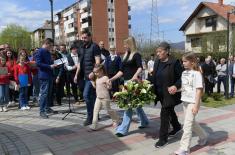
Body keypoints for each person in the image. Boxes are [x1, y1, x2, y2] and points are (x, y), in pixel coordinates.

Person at [174, 52, 208, 155]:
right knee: (191, 123)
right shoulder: (184, 73)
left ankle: (184, 148)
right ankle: (204, 136)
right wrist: (176, 90)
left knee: (187, 125)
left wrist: (196, 105)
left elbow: (198, 90)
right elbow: (185, 87)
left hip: (193, 102)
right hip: (185, 101)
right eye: (182, 61)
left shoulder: (197, 74)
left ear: (192, 62)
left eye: (185, 61)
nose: (183, 63)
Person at [115, 36, 149, 137]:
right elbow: (121, 71)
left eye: (126, 44)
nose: (124, 46)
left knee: (128, 106)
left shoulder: (136, 55)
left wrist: (134, 76)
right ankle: (145, 121)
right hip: (126, 82)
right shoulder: (125, 56)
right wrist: (111, 78)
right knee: (136, 105)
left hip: (133, 83)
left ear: (130, 44)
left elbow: (140, 67)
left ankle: (123, 129)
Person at [153, 41, 182, 148]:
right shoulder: (157, 62)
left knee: (164, 115)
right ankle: (177, 126)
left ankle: (163, 139)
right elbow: (154, 76)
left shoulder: (174, 62)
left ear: (166, 51)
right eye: (157, 52)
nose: (158, 54)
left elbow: (181, 78)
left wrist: (175, 86)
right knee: (170, 110)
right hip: (160, 93)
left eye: (160, 52)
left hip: (170, 94)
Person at [74, 30, 101, 126]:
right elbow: (79, 64)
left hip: (92, 77)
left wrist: (93, 72)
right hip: (84, 77)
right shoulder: (81, 48)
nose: (83, 39)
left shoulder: (95, 46)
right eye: (82, 38)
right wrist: (76, 75)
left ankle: (90, 117)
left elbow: (98, 61)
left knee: (85, 95)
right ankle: (95, 114)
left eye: (85, 38)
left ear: (90, 37)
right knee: (92, 96)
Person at [89, 64, 120, 131]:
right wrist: (91, 81)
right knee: (95, 111)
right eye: (94, 72)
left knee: (108, 110)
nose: (95, 74)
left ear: (102, 71)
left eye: (97, 72)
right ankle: (94, 126)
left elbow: (109, 87)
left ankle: (116, 120)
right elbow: (95, 87)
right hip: (98, 97)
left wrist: (109, 84)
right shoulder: (97, 79)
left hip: (105, 97)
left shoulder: (105, 78)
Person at [35, 38, 57, 118]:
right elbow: (38, 63)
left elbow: (48, 62)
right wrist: (49, 66)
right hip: (44, 76)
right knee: (44, 94)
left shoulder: (48, 52)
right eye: (50, 45)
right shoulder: (40, 51)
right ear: (47, 44)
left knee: (48, 93)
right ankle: (42, 111)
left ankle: (47, 108)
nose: (51, 47)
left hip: (50, 75)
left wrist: (54, 64)